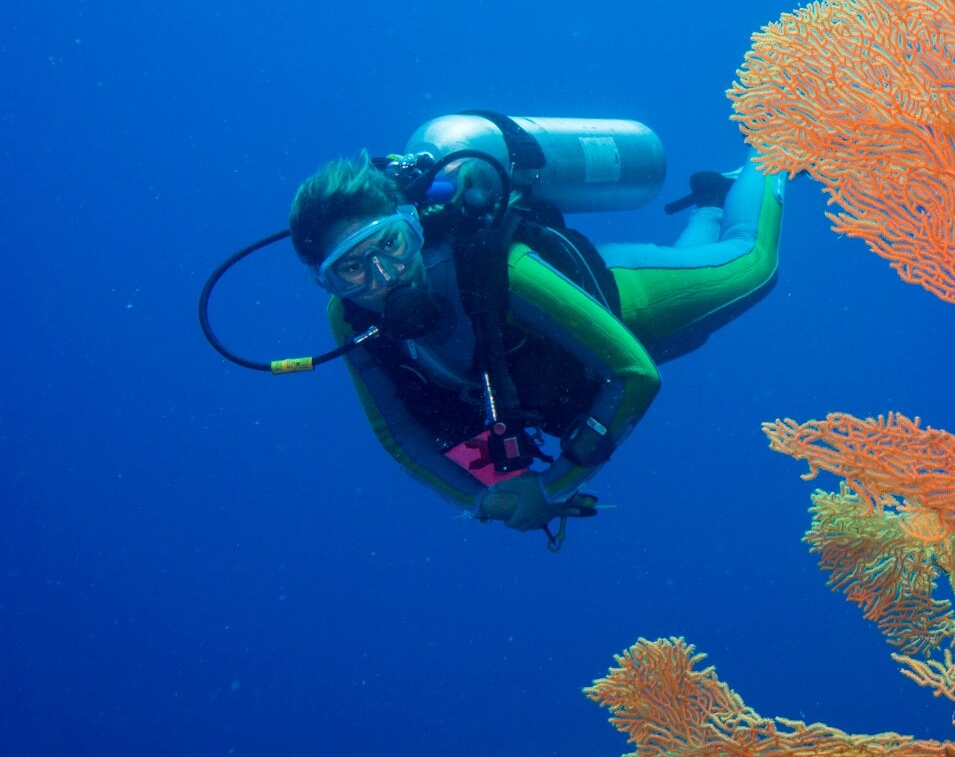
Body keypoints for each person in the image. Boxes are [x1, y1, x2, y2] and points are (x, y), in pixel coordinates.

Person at [288, 149, 782, 537]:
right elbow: (401, 434)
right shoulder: (349, 318)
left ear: (412, 226)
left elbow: (635, 374)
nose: (385, 277)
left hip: (624, 302)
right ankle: (715, 199)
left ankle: (777, 144)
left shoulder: (498, 267)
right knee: (696, 320)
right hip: (569, 374)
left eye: (391, 245)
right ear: (327, 284)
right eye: (352, 268)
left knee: (752, 264)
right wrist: (485, 498)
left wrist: (554, 484)